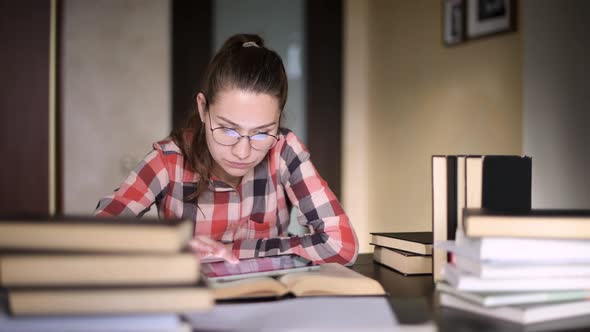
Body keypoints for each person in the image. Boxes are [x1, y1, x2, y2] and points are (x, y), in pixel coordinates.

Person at [95, 33, 358, 266]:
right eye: (228, 130)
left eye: (262, 132)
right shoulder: (168, 161)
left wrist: (231, 250)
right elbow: (95, 238)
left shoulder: (283, 149)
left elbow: (342, 245)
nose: (243, 152)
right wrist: (170, 246)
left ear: (279, 121)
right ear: (202, 108)